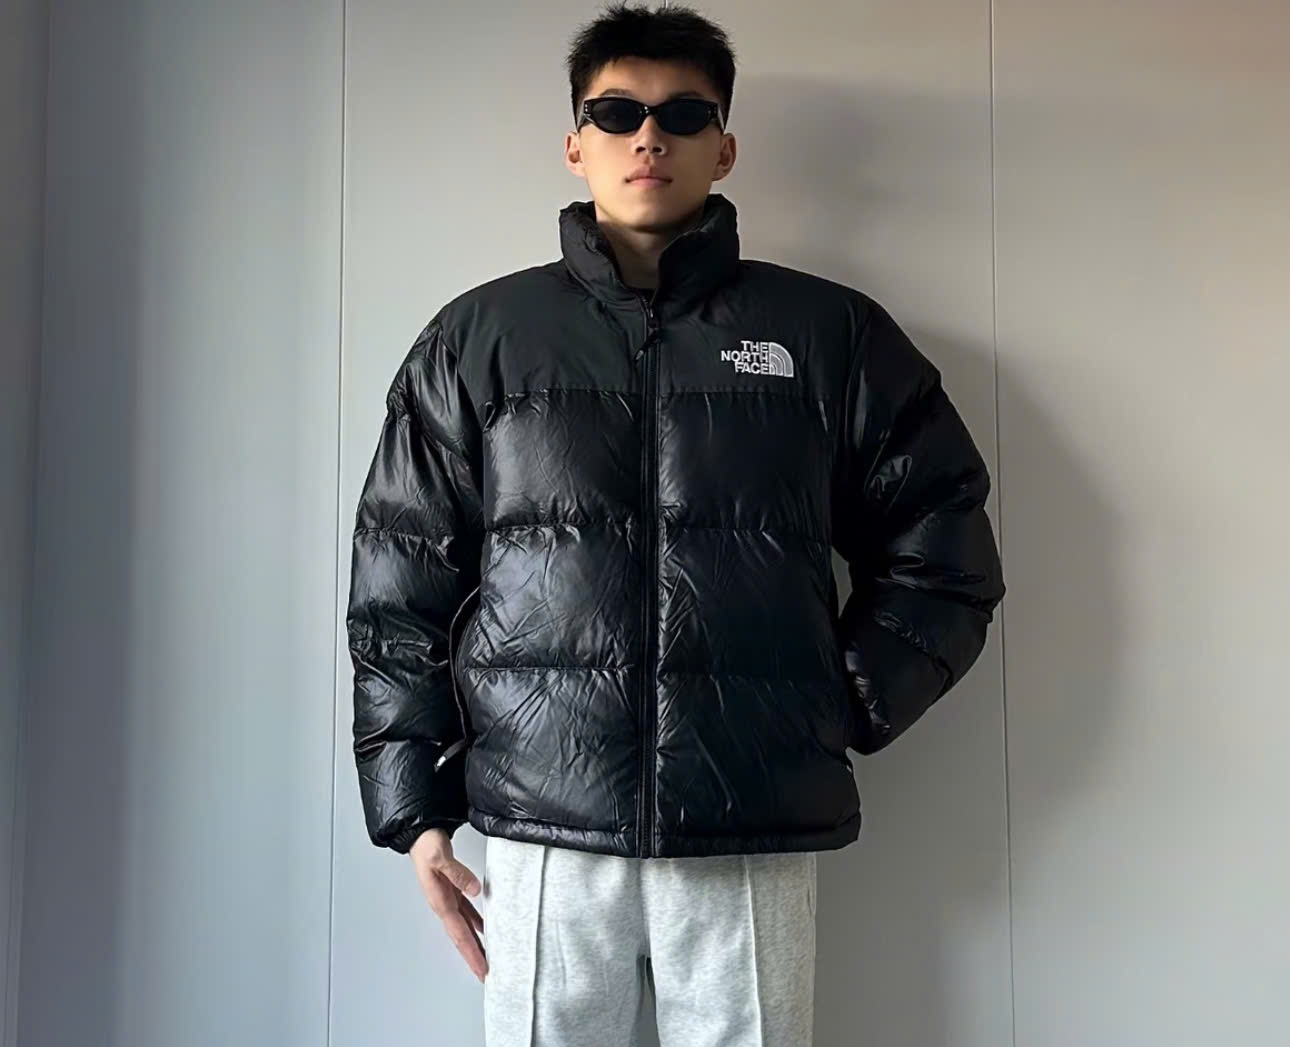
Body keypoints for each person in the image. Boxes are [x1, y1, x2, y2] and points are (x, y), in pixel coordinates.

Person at [345, 3, 1005, 1044]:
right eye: (616, 112)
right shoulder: (481, 338)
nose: (647, 136)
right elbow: (399, 584)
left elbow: (944, 543)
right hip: (541, 818)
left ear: (724, 146)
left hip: (748, 818)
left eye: (682, 114)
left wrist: (835, 703)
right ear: (577, 144)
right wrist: (415, 810)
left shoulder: (827, 335)